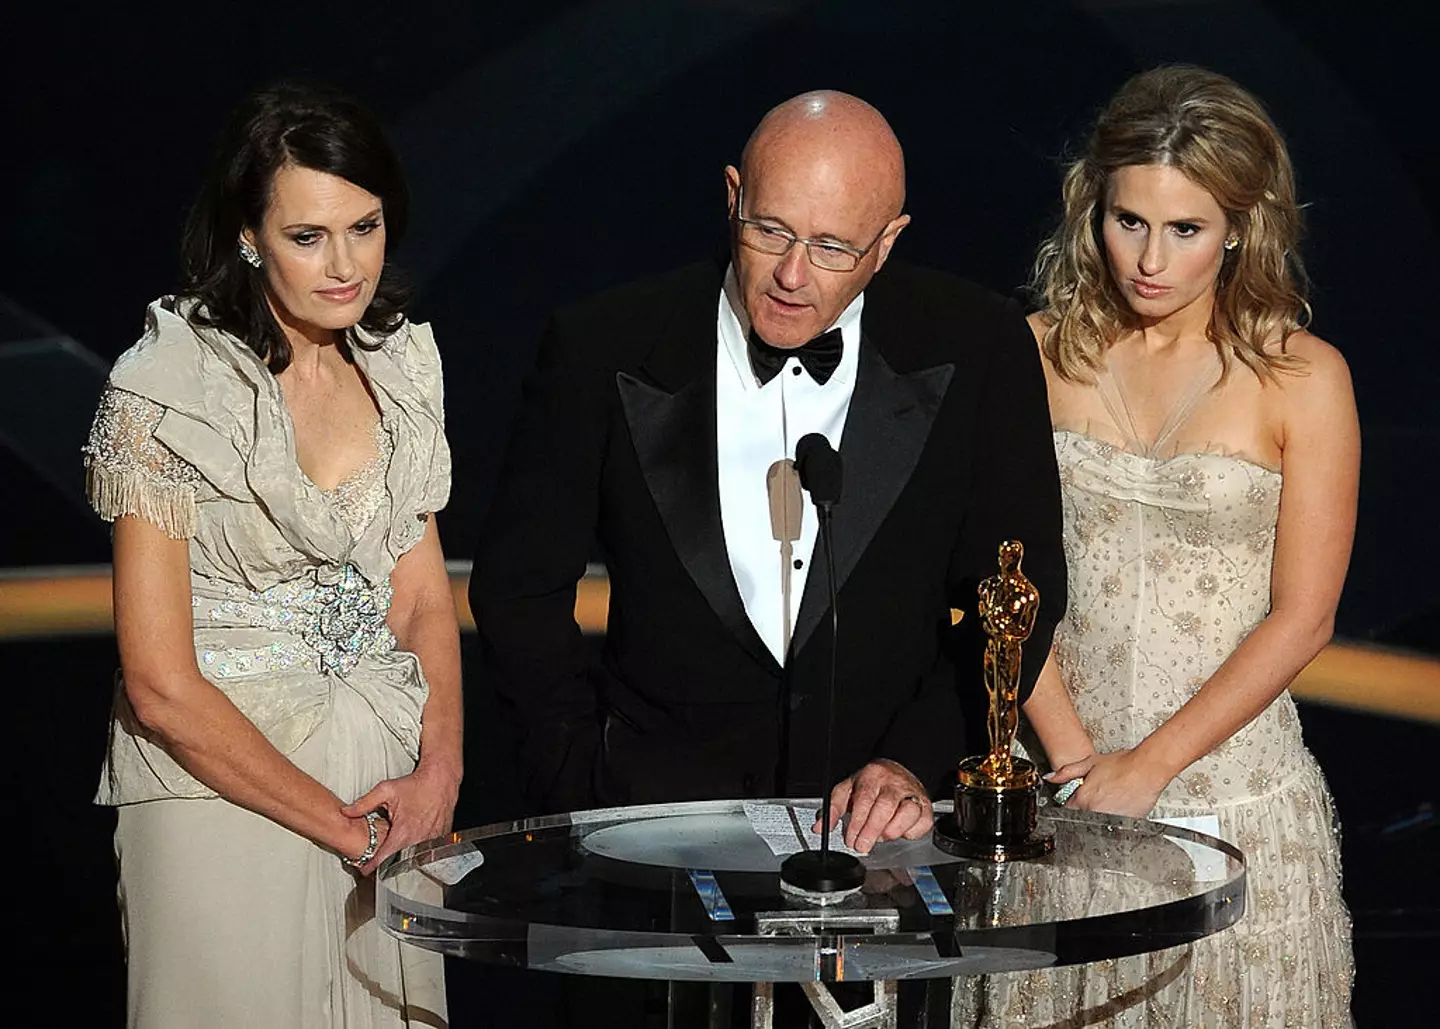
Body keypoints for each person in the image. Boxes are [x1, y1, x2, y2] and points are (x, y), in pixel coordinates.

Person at [471, 90, 1071, 858]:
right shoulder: (604, 345)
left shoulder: (978, 347)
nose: (792, 273)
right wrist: (582, 778)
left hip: (881, 847)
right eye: (771, 230)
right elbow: (519, 587)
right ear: (732, 198)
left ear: (887, 243)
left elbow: (1019, 591)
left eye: (832, 247)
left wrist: (912, 762)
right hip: (648, 841)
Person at [958, 65, 1357, 1027]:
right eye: (1128, 220)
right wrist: (1078, 757)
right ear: (1092, 205)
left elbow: (1305, 617)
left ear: (1240, 225)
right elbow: (992, 575)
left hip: (1238, 796)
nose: (1150, 258)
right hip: (1059, 786)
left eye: (1186, 230)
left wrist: (1151, 766)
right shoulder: (1033, 355)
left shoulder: (1304, 377)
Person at [83, 82, 458, 1027]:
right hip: (221, 795)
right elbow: (159, 681)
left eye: (365, 228)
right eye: (308, 236)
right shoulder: (163, 389)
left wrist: (440, 772)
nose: (346, 267)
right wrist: (336, 823)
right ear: (247, 235)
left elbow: (420, 599)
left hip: (388, 792)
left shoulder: (402, 364)